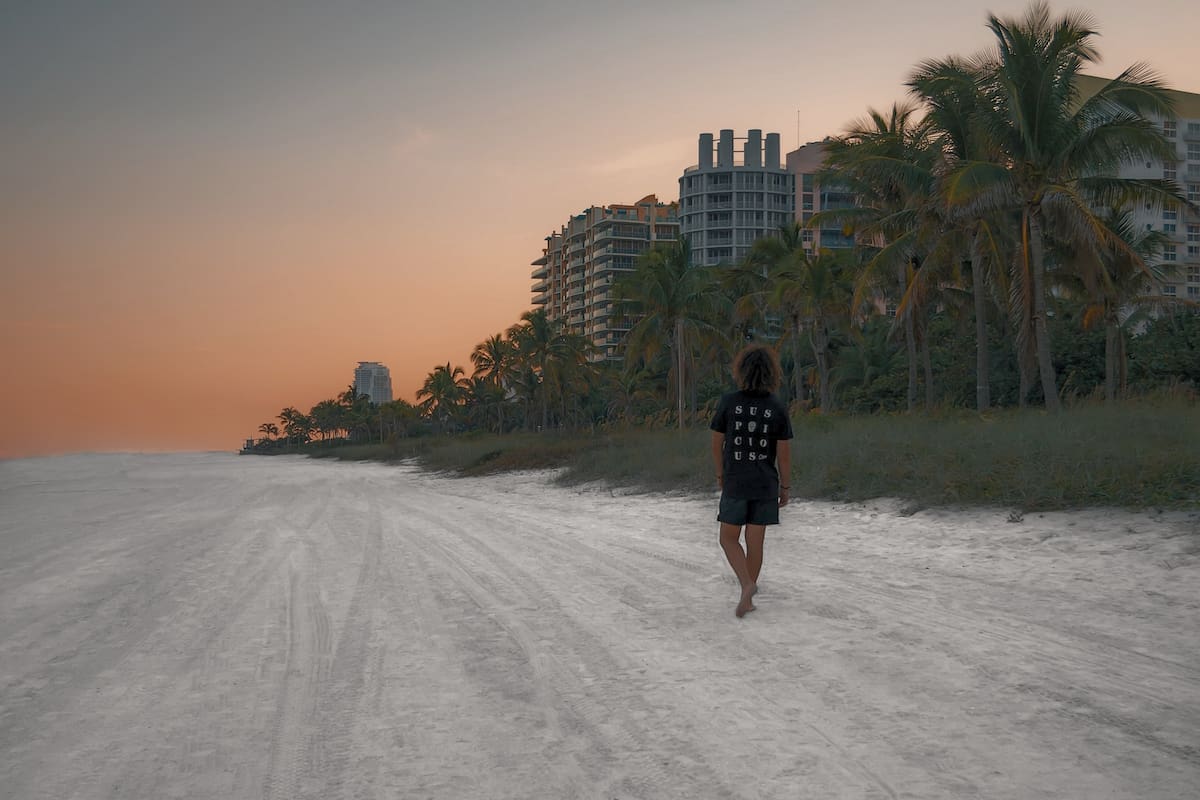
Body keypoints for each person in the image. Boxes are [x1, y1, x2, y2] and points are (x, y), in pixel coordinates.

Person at [709, 345, 793, 617]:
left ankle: (746, 585)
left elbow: (716, 443)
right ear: (771, 373)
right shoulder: (777, 406)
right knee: (755, 542)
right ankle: (747, 594)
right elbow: (783, 454)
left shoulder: (729, 402)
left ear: (741, 371)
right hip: (765, 483)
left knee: (728, 538)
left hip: (736, 480)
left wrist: (720, 473)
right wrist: (785, 487)